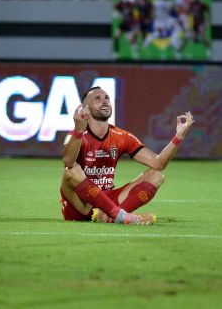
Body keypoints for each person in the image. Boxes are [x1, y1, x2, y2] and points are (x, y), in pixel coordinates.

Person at [60, 86, 195, 224]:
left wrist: (178, 137)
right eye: (98, 99)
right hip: (80, 205)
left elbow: (158, 163)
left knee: (156, 175)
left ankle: (110, 216)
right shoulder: (75, 135)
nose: (105, 101)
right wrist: (78, 130)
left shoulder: (122, 136)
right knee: (70, 172)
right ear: (85, 109)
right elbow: (68, 163)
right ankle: (119, 216)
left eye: (107, 98)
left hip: (107, 199)